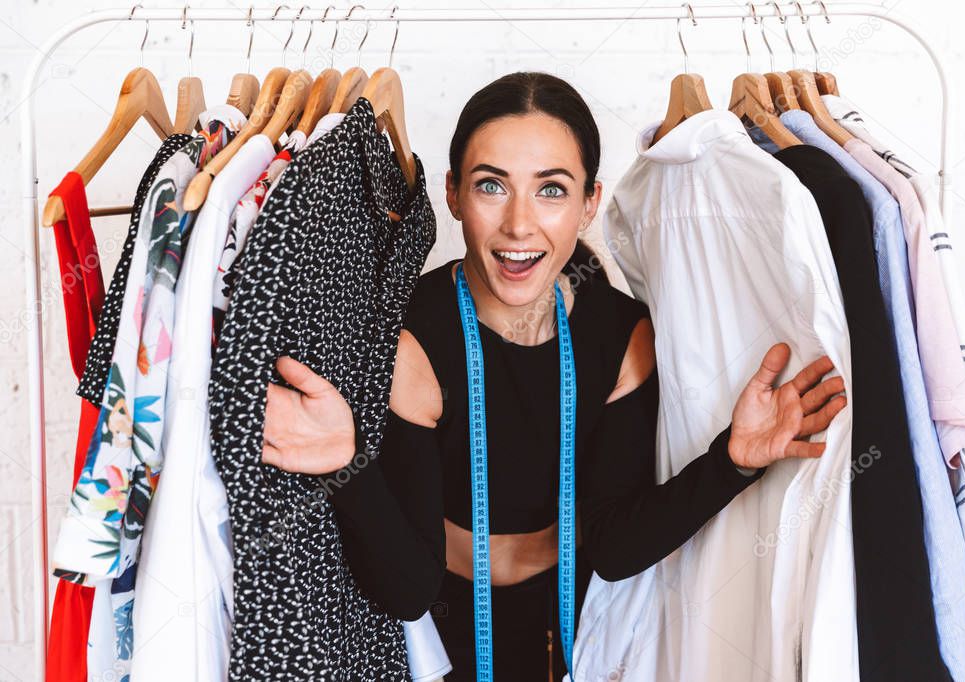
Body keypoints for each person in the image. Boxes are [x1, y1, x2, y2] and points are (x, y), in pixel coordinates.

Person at [259, 72, 848, 680]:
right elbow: (408, 587)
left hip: (574, 621)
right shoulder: (413, 337)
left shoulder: (623, 335)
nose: (519, 225)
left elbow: (615, 544)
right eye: (492, 186)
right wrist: (346, 465)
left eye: (551, 191)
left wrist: (735, 459)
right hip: (434, 631)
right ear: (454, 195)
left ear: (589, 202)